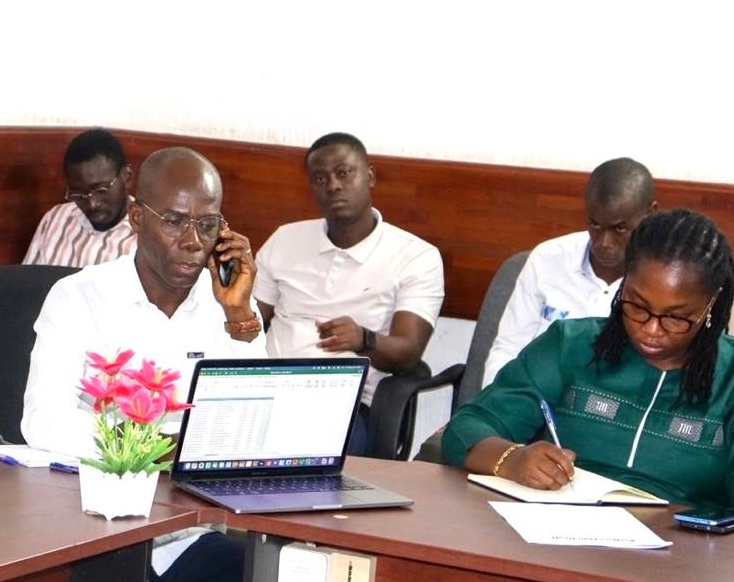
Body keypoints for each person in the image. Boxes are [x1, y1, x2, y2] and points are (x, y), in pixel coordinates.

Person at [22, 146, 264, 582]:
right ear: (136, 217)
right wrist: (153, 448)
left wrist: (239, 316)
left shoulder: (230, 306)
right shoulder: (79, 297)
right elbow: (42, 420)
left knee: (270, 581)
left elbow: (254, 429)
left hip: (187, 532)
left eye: (207, 224)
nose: (193, 241)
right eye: (174, 221)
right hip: (90, 528)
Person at [443, 208, 734, 508]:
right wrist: (513, 460)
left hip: (678, 535)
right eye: (637, 306)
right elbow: (467, 428)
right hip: (556, 525)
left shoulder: (729, 376)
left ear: (711, 304)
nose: (650, 329)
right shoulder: (570, 345)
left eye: (675, 317)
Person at [253, 132, 444, 454]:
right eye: (320, 178)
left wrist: (363, 340)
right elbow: (250, 323)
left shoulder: (416, 257)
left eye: (344, 173)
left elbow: (409, 351)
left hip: (344, 404)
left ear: (369, 177)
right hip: (267, 391)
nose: (333, 186)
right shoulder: (285, 239)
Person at [483, 157, 657, 386]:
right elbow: (508, 348)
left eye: (619, 228)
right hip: (535, 397)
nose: (604, 243)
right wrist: (495, 402)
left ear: (650, 214)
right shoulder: (547, 259)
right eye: (595, 224)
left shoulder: (663, 280)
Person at [22, 127, 137, 266]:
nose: (92, 204)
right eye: (79, 194)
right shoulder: (55, 219)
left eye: (101, 190)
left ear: (127, 177)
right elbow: (28, 278)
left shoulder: (145, 237)